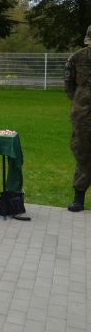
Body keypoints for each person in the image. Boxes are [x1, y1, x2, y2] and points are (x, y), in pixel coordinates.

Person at [64, 24, 91, 212]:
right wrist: (78, 102)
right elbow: (68, 83)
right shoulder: (77, 58)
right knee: (82, 153)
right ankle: (78, 198)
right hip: (83, 115)